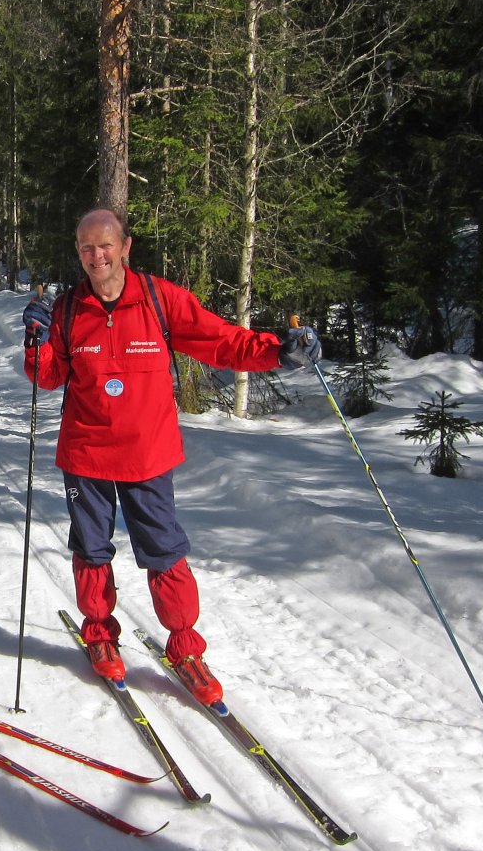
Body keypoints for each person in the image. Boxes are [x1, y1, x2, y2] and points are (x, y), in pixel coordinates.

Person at [21, 207, 321, 706]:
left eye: (105, 246)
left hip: (148, 454)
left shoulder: (159, 300)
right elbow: (48, 377)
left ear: (125, 247)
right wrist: (35, 340)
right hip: (88, 453)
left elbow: (222, 341)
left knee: (164, 551)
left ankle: (185, 649)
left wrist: (278, 351)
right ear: (79, 252)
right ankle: (99, 634)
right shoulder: (68, 309)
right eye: (87, 248)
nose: (97, 257)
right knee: (91, 550)